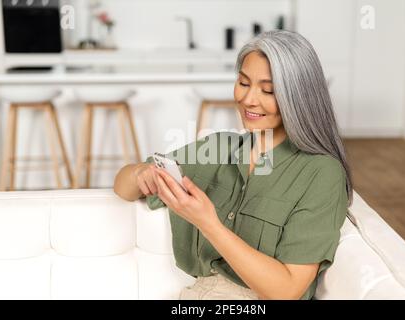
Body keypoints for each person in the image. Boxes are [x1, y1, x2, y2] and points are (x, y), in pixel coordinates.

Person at [113, 30, 353, 300]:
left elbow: (287, 291)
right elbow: (123, 187)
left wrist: (208, 223)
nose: (248, 99)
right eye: (243, 82)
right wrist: (140, 173)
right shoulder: (216, 149)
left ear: (298, 97)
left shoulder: (321, 173)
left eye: (268, 90)